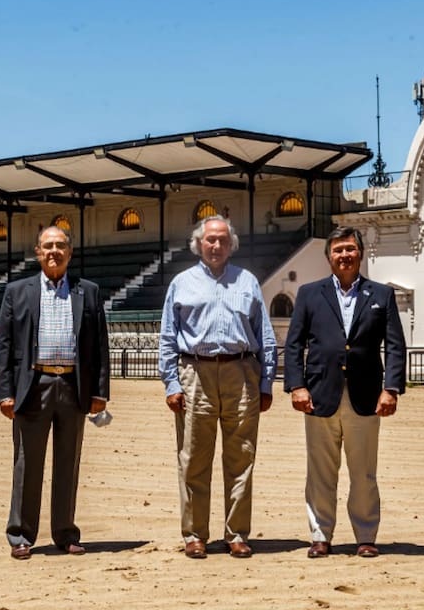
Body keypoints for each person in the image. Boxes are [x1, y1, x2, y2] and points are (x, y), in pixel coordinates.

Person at [158, 215, 277, 559]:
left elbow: (265, 336)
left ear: (231, 245)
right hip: (195, 373)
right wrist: (170, 383)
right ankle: (195, 534)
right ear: (198, 243)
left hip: (241, 373)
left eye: (222, 240)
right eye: (210, 239)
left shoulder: (248, 282)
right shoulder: (181, 283)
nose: (216, 245)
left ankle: (236, 533)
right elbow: (167, 337)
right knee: (194, 457)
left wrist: (266, 382)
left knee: (241, 457)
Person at [283, 227, 406, 558]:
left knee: (364, 472)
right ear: (329, 257)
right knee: (320, 472)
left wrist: (391, 389)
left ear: (360, 253)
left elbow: (395, 346)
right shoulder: (310, 294)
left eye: (350, 249)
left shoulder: (381, 295)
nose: (344, 255)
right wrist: (296, 385)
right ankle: (320, 535)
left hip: (366, 397)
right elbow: (293, 344)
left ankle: (365, 535)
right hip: (319, 395)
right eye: (338, 250)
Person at [0, 225, 110, 560]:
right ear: (37, 252)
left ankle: (65, 532)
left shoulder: (87, 291)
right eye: (48, 246)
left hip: (73, 386)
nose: (54, 251)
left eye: (60, 246)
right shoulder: (18, 291)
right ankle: (21, 535)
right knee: (27, 464)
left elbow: (99, 344)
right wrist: (5, 392)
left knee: (67, 463)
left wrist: (100, 390)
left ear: (70, 253)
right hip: (33, 387)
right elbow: (4, 345)